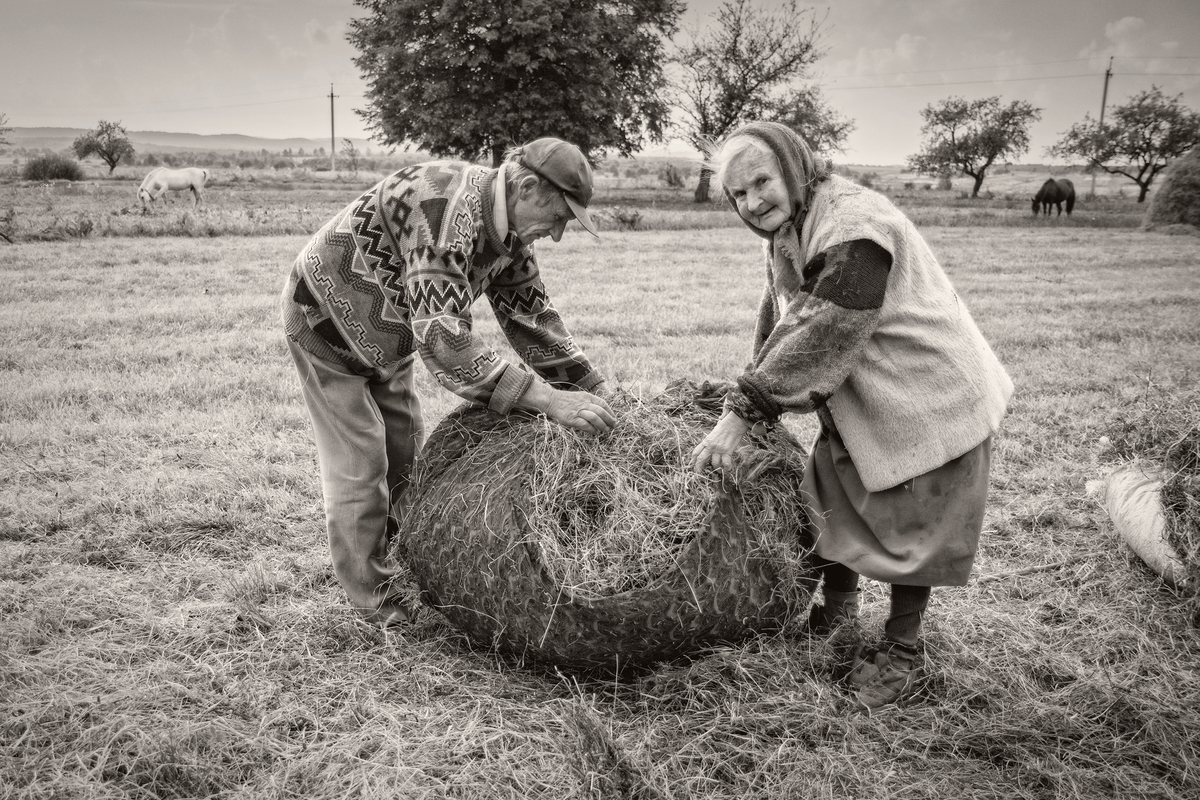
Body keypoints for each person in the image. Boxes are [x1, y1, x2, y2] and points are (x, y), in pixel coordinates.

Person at [691, 121, 1013, 710]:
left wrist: (745, 410)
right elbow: (787, 313)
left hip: (924, 393)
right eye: (737, 194)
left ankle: (902, 651)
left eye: (761, 182)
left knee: (912, 522)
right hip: (866, 392)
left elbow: (823, 324)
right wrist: (753, 385)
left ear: (792, 168)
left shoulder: (854, 229)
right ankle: (837, 622)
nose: (752, 201)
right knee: (833, 498)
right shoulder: (790, 227)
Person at [282, 137, 617, 628]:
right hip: (325, 326)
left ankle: (405, 559)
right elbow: (445, 343)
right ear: (527, 187)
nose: (559, 233)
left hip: (393, 337)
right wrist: (549, 400)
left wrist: (603, 396)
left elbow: (535, 323)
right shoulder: (445, 215)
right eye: (562, 216)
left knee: (404, 449)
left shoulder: (510, 238)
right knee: (361, 461)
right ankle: (373, 602)